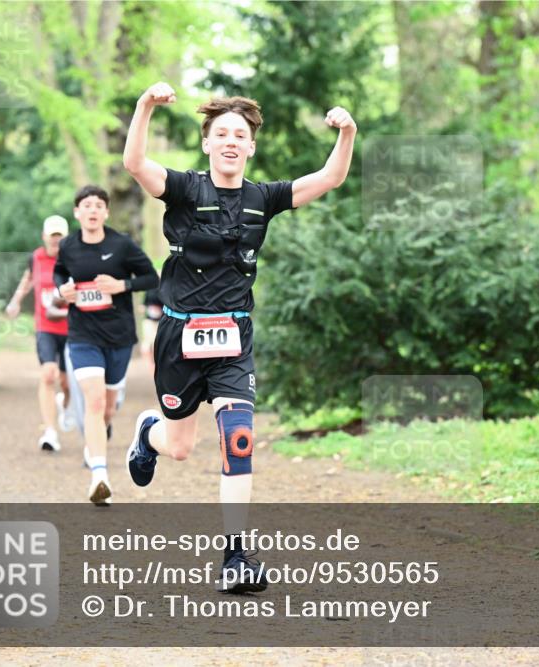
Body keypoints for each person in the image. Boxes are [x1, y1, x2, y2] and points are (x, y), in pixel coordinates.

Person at [122, 82, 356, 591]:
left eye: (241, 135)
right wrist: (143, 108)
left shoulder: (263, 197)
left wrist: (347, 133)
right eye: (222, 133)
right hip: (179, 336)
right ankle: (148, 434)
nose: (231, 141)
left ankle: (235, 557)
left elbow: (331, 177)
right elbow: (136, 164)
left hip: (234, 336)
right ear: (208, 143)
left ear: (251, 146)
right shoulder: (185, 189)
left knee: (239, 439)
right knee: (180, 446)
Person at [53, 185, 158, 505]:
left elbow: (151, 278)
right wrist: (63, 290)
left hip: (118, 336)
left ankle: (95, 442)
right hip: (83, 335)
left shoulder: (122, 245)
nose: (93, 210)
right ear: (77, 212)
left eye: (99, 205)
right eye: (87, 205)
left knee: (108, 408)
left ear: (106, 212)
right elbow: (60, 273)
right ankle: (100, 476)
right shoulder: (69, 246)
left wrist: (121, 285)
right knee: (95, 402)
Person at [5, 215, 74, 452]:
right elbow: (28, 280)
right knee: (47, 375)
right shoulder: (36, 257)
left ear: (65, 238)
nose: (56, 240)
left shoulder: (74, 257)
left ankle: (64, 404)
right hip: (45, 327)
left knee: (67, 384)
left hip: (71, 328)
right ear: (44, 236)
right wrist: (15, 301)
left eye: (60, 236)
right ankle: (50, 432)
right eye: (52, 235)